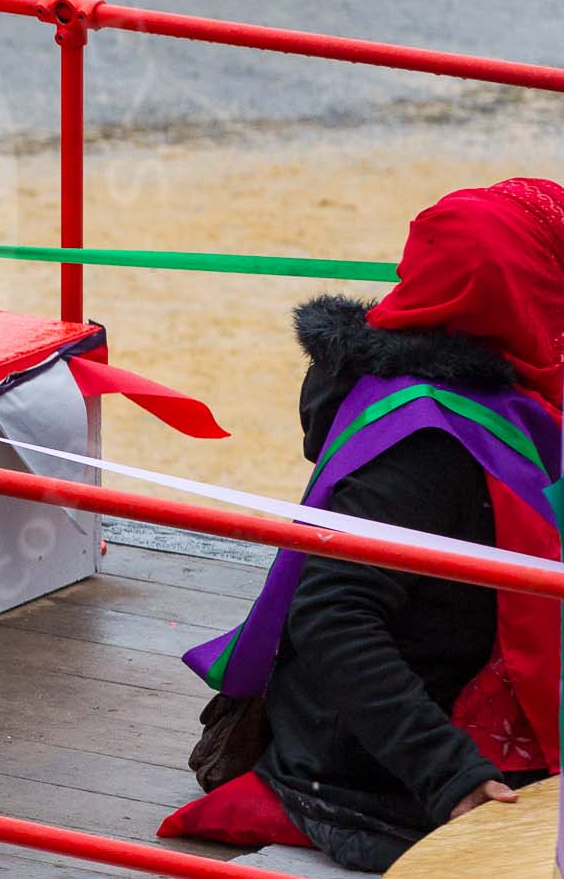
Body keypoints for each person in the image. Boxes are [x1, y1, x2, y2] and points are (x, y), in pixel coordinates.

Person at [175, 179, 564, 871]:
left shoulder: (475, 388)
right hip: (380, 763)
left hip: (431, 701)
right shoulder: (430, 440)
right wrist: (448, 772)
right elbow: (332, 614)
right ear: (527, 290)